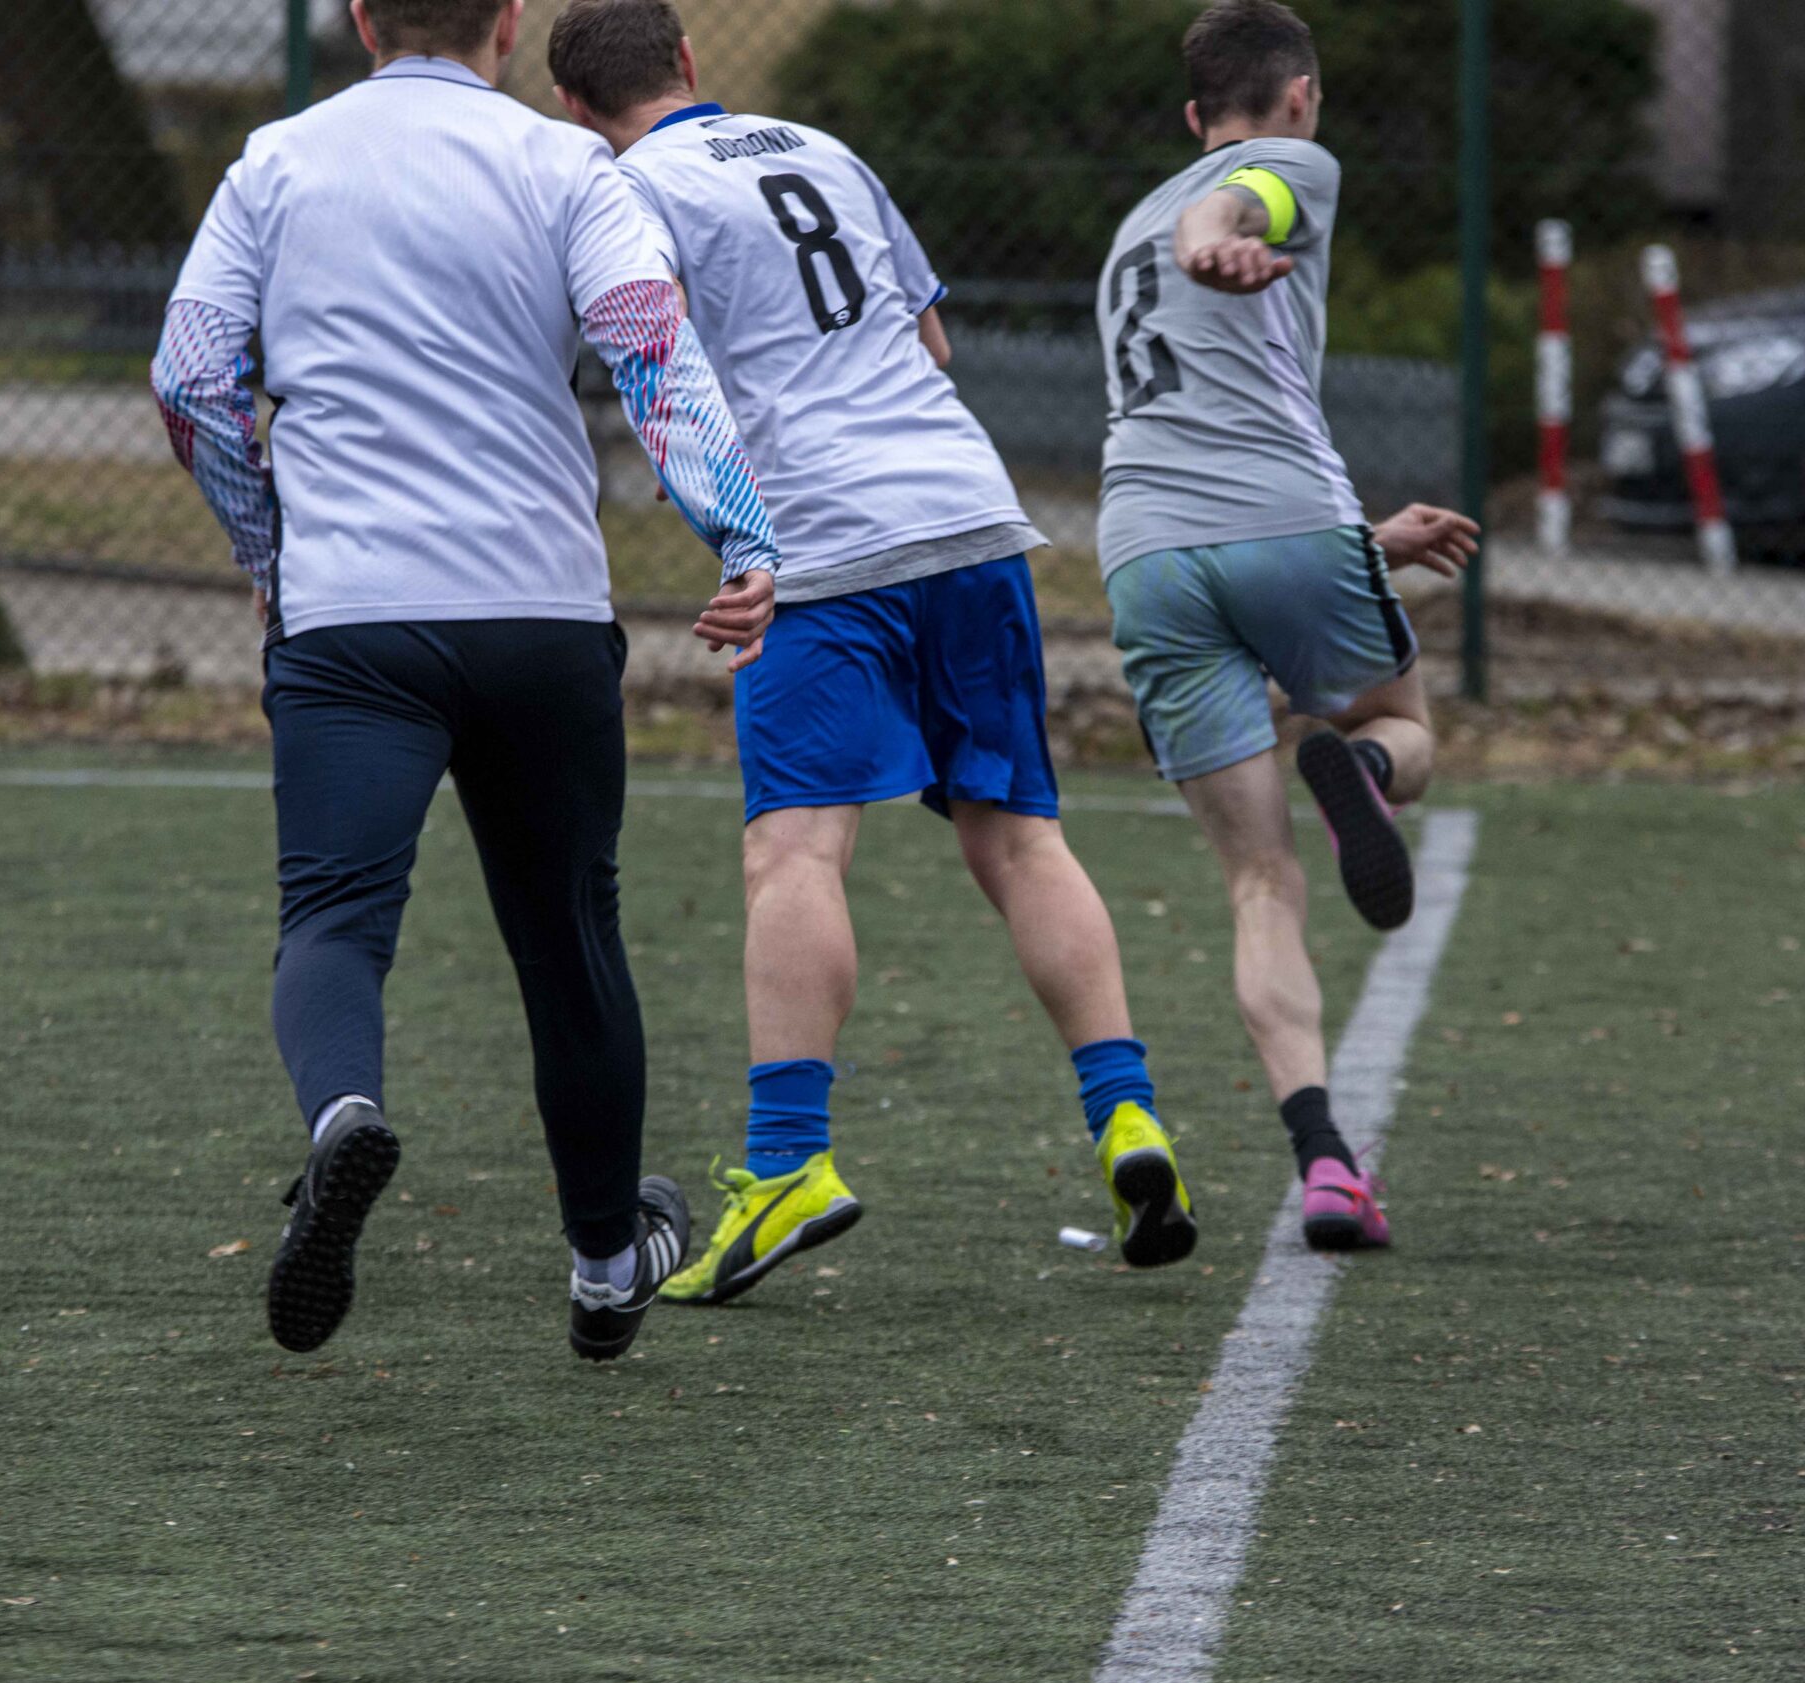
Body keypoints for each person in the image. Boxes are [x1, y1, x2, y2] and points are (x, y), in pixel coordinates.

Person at [151, 0, 783, 1360]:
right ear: (507, 19)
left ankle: (344, 1117)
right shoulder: (567, 164)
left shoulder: (277, 161)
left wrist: (267, 547)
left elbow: (192, 379)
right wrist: (740, 534)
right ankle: (607, 1265)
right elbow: (652, 348)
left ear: (360, 19)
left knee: (333, 917)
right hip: (539, 610)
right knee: (570, 938)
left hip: (351, 617)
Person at [546, 0, 1197, 1305]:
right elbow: (928, 339)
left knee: (795, 851)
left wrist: (724, 517)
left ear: (573, 108)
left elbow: (656, 359)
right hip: (967, 510)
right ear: (689, 61)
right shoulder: (821, 149)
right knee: (1022, 839)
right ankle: (1128, 1115)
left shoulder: (622, 191)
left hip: (823, 543)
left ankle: (789, 1162)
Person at [1094, 0, 1480, 1250]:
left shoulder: (1126, 230)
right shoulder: (1289, 163)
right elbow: (1235, 206)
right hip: (1284, 521)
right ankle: (1361, 769)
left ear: (1189, 112)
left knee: (1259, 881)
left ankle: (1324, 1163)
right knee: (1399, 723)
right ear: (1298, 94)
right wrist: (1218, 237)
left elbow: (1196, 417)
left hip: (1146, 553)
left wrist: (1370, 538)